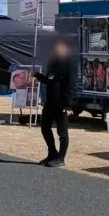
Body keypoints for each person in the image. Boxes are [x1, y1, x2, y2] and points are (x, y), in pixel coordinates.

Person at [34, 39, 77, 168]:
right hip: (50, 100)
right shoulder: (53, 64)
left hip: (62, 103)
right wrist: (38, 76)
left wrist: (68, 105)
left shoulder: (69, 66)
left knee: (62, 132)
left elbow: (71, 86)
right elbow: (50, 81)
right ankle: (52, 153)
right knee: (45, 127)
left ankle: (61, 158)